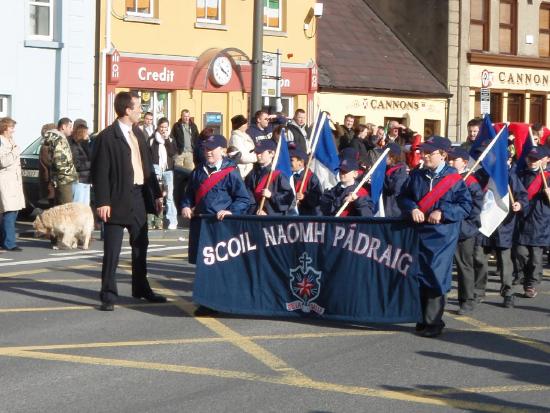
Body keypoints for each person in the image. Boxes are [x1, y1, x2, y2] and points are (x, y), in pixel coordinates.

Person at [91, 91, 165, 311]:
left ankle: (141, 288)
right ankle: (108, 295)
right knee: (112, 251)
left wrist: (157, 194)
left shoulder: (139, 133)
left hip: (139, 196)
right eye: (137, 107)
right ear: (127, 110)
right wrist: (103, 201)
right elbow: (100, 172)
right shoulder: (107, 137)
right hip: (116, 198)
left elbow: (148, 167)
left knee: (141, 245)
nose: (140, 111)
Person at [399, 136, 472, 337]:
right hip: (419, 233)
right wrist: (412, 207)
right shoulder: (417, 175)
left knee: (435, 274)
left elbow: (465, 206)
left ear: (442, 155)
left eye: (428, 153)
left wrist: (443, 212)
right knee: (420, 274)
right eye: (422, 152)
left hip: (443, 235)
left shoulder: (454, 179)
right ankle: (423, 318)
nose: (423, 156)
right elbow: (403, 197)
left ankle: (434, 322)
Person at [447, 148, 484, 315]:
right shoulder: (447, 178)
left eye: (454, 159)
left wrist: (459, 217)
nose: (450, 161)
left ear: (463, 162)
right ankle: (440, 297)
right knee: (444, 265)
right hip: (446, 227)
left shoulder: (471, 182)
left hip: (464, 229)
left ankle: (467, 299)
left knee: (464, 265)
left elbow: (476, 207)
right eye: (449, 158)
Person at [181, 134, 250, 220]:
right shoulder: (198, 170)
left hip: (221, 223)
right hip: (200, 222)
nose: (208, 152)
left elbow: (243, 199)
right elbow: (189, 193)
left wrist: (230, 211)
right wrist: (186, 206)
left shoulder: (231, 172)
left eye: (211, 149)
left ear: (222, 151)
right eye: (206, 148)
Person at [516, 146, 550, 299]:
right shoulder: (521, 174)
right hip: (523, 218)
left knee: (536, 257)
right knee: (521, 252)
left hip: (540, 220)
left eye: (536, 159)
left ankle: (532, 284)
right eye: (530, 158)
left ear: (545, 160)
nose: (532, 162)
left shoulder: (548, 177)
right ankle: (526, 277)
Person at [245, 139, 294, 215]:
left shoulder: (278, 174)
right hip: (255, 215)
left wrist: (271, 195)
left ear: (272, 153)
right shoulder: (252, 174)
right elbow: (247, 195)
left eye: (261, 152)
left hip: (273, 218)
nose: (258, 155)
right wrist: (256, 210)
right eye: (257, 152)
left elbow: (288, 197)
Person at [320, 148, 374, 217]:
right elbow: (324, 208)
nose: (342, 174)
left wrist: (357, 200)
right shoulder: (334, 190)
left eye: (345, 171)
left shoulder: (361, 192)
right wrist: (340, 201)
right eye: (341, 171)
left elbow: (368, 216)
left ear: (355, 174)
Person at [148, 117, 178, 230]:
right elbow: (149, 154)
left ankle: (172, 220)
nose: (163, 130)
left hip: (168, 168)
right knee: (155, 193)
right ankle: (152, 220)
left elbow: (173, 152)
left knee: (169, 195)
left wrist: (166, 140)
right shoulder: (152, 139)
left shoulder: (170, 138)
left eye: (165, 127)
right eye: (161, 127)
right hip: (156, 166)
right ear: (158, 127)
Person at [0, 117, 25, 252]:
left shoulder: (10, 141)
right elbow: (3, 161)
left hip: (13, 182)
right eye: (11, 127)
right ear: (4, 128)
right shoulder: (1, 142)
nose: (13, 130)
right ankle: (9, 243)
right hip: (5, 181)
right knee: (9, 212)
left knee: (12, 211)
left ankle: (5, 241)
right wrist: (15, 152)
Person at [43, 118, 78, 205]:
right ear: (63, 127)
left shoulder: (58, 138)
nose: (71, 129)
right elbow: (59, 162)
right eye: (69, 127)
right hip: (64, 180)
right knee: (66, 207)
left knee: (61, 206)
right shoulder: (59, 140)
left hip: (62, 179)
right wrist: (68, 174)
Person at [289, 147, 322, 216]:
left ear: (301, 163)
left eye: (291, 160)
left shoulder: (311, 177)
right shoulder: (287, 176)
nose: (288, 162)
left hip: (306, 216)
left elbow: (317, 197)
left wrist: (304, 197)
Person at [69, 120, 92, 206]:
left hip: (85, 180)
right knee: (78, 205)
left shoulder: (84, 143)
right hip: (79, 180)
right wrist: (91, 165)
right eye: (86, 132)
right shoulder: (74, 145)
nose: (88, 134)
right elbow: (76, 163)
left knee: (84, 206)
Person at [382, 143, 408, 218]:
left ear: (392, 157)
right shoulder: (387, 168)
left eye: (385, 155)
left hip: (394, 211)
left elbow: (396, 188)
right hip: (387, 208)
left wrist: (383, 178)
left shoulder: (401, 170)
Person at [229, 114, 256, 178]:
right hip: (243, 171)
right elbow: (242, 157)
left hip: (249, 169)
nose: (247, 125)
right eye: (245, 124)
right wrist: (257, 157)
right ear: (240, 126)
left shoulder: (244, 135)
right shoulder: (236, 138)